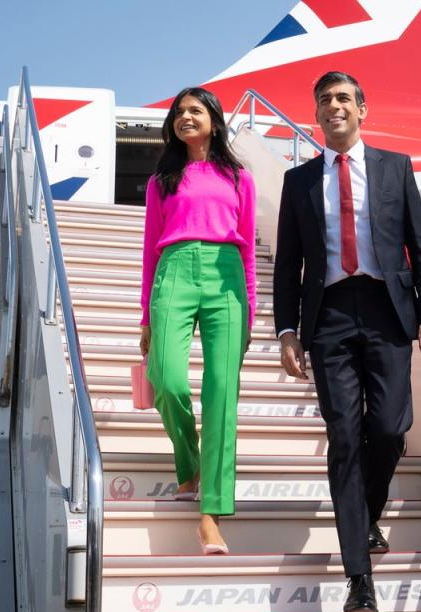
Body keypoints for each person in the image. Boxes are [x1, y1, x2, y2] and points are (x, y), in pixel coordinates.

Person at [273, 71, 421, 612]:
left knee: (391, 429)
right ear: (317, 115)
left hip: (387, 312)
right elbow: (287, 266)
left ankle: (366, 516)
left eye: (344, 98)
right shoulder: (298, 181)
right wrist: (286, 331)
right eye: (324, 100)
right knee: (345, 439)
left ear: (362, 109)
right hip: (328, 319)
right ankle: (359, 578)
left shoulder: (395, 169)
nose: (334, 106)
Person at [139, 87, 256, 555]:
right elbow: (149, 249)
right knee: (166, 379)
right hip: (173, 270)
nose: (185, 117)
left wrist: (248, 306)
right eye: (179, 112)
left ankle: (210, 516)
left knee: (222, 395)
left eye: (195, 110)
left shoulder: (238, 177)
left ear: (214, 119)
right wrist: (146, 314)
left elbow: (247, 245)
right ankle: (187, 462)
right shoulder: (162, 180)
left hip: (226, 276)